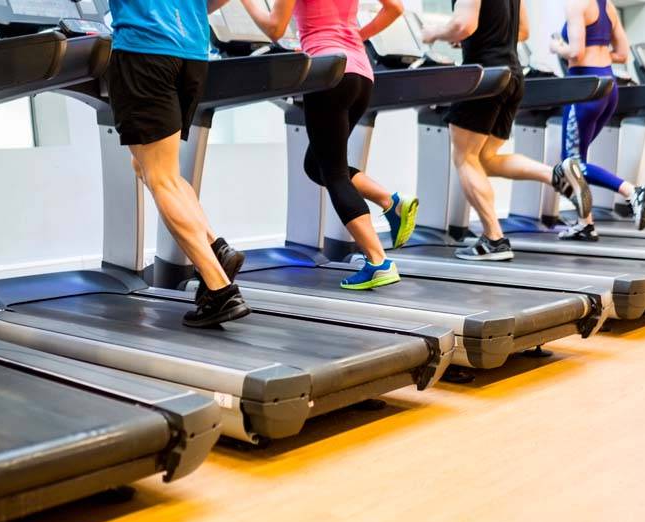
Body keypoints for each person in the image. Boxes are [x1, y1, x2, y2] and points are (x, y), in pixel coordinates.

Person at [240, 0, 420, 290]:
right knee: (316, 166)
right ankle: (391, 201)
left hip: (329, 73)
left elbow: (275, 28)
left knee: (333, 173)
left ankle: (378, 262)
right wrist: (358, 36)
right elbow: (396, 8)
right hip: (361, 73)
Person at [109, 0, 252, 325]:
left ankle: (221, 291)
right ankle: (217, 249)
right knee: (152, 169)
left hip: (145, 46)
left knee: (161, 178)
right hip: (192, 51)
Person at [422, 0, 593, 261]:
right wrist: (474, 36)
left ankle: (494, 238)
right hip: (512, 74)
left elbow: (463, 24)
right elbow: (522, 31)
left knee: (464, 157)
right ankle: (556, 174)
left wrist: (434, 33)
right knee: (485, 159)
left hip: (485, 75)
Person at [550, 0, 645, 241]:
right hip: (608, 86)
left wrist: (557, 47)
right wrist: (600, 52)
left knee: (570, 163)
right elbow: (623, 53)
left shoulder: (576, 5)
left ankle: (632, 191)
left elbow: (575, 52)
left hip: (583, 87)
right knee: (578, 162)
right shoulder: (608, 7)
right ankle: (585, 224)